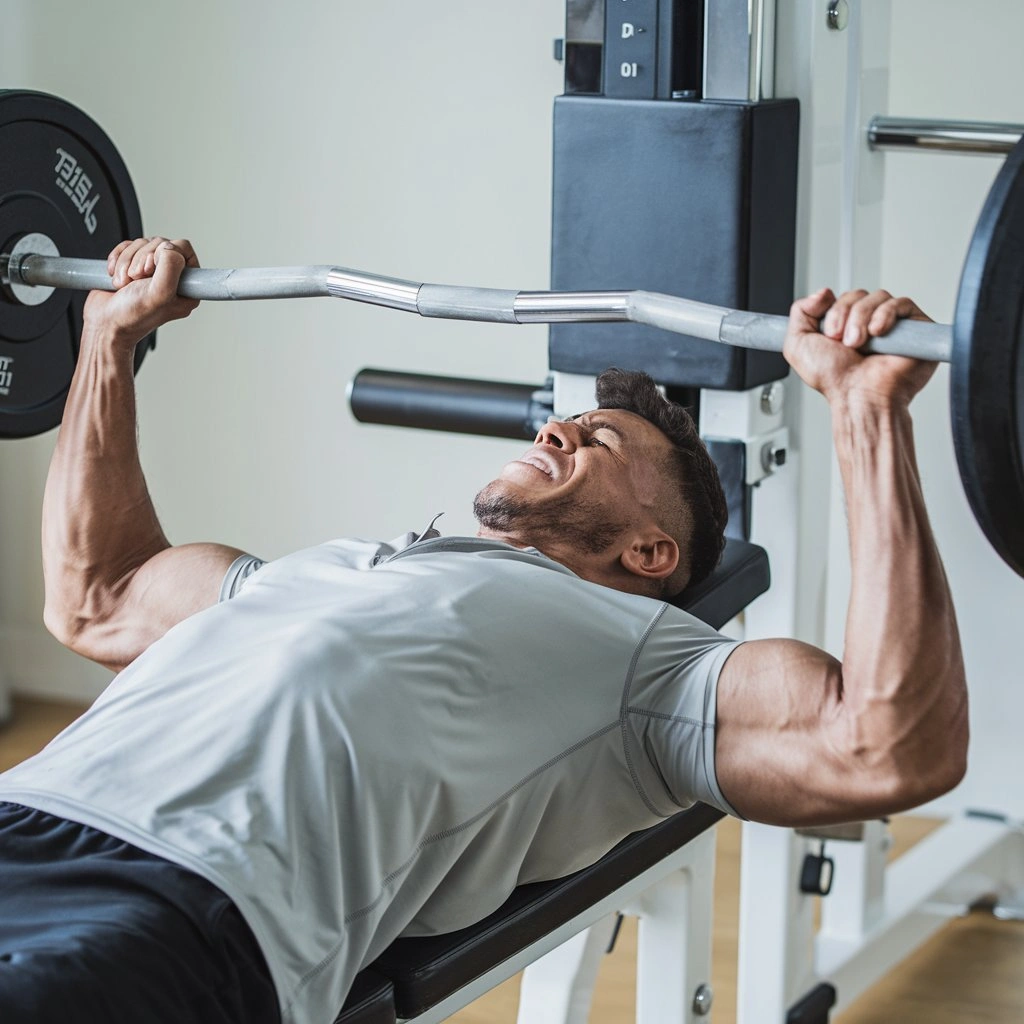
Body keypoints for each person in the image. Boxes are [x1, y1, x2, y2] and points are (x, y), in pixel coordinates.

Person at [0, 237, 968, 1024]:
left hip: (179, 910)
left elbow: (883, 747)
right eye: (561, 425)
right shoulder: (327, 567)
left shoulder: (646, 663)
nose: (555, 431)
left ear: (648, 552)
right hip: (21, 819)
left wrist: (864, 414)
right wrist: (105, 339)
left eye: (598, 440)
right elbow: (100, 593)